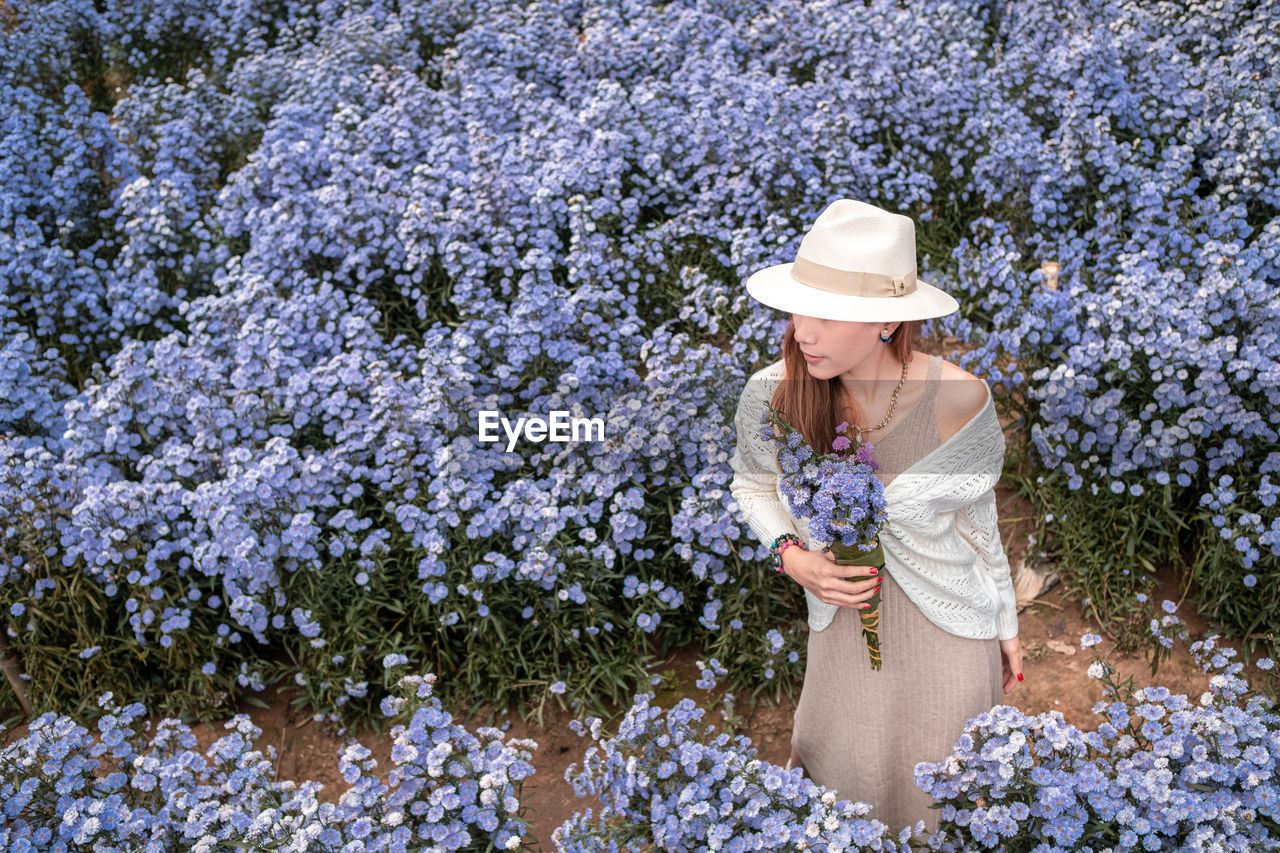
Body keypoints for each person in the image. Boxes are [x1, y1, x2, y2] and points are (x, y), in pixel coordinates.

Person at [728, 199, 1024, 835]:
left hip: (950, 636)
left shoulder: (961, 397)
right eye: (798, 307)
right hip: (841, 633)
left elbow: (978, 524)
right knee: (845, 777)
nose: (802, 331)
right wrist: (792, 556)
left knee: (946, 797)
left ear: (888, 320)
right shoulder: (774, 392)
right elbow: (752, 485)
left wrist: (1004, 618)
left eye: (828, 316)